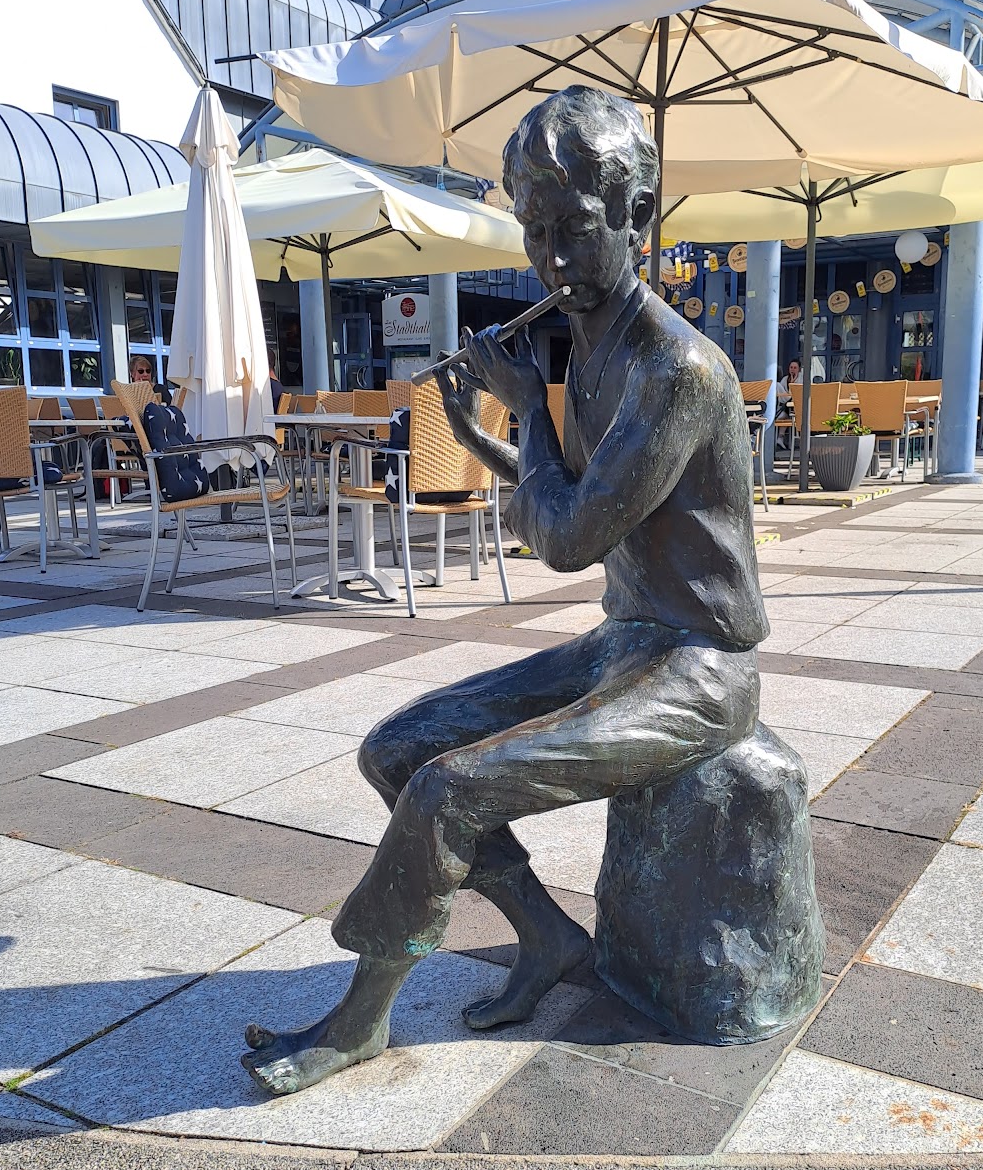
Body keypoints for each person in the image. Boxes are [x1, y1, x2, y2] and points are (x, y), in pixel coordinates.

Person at [241, 85, 769, 1097]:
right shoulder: (595, 348)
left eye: (574, 229)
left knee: (451, 786)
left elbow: (565, 536)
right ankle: (548, 939)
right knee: (399, 747)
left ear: (638, 215)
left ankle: (360, 1017)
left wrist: (524, 407)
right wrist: (485, 428)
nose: (551, 259)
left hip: (699, 669)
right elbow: (561, 492)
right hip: (628, 645)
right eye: (534, 232)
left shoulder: (677, 369)